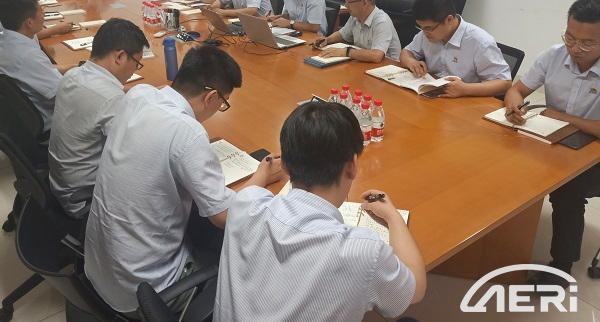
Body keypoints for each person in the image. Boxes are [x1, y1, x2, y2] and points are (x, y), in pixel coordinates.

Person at [84, 45, 285, 316]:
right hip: (146, 290)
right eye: (223, 103)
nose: (220, 109)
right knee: (249, 252)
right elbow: (224, 216)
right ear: (211, 97)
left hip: (100, 267)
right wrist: (263, 175)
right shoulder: (188, 132)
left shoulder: (139, 95)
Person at [214, 102, 426, 321]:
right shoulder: (362, 251)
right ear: (352, 166)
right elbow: (416, 290)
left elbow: (249, 192)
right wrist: (393, 217)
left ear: (285, 165)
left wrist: (263, 172)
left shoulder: (245, 203)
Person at [504, 0, 600, 287]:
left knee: (567, 190)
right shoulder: (553, 56)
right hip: (555, 141)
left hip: (594, 154)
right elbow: (517, 90)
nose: (575, 48)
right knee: (503, 157)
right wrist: (513, 105)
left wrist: (564, 117)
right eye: (570, 37)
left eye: (587, 43)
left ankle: (560, 269)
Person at [48, 18, 149, 217]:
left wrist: (138, 92)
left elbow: (102, 94)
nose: (133, 71)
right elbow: (134, 153)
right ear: (120, 56)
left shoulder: (73, 75)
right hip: (85, 197)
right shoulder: (110, 100)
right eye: (137, 63)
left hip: (62, 181)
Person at [400, 0, 511, 98]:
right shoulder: (426, 33)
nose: (424, 32)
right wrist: (411, 61)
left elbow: (504, 83)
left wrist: (466, 89)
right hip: (433, 94)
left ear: (449, 19)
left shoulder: (480, 42)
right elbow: (406, 52)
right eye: (420, 27)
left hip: (466, 99)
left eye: (429, 28)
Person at [0, 0, 73, 131]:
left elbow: (40, 71)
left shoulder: (7, 41)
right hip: (51, 122)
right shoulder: (27, 55)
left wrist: (73, 68)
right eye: (40, 10)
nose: (44, 13)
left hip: (19, 120)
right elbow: (66, 95)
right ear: (29, 22)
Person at [314, 0, 401, 62]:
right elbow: (342, 34)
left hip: (388, 67)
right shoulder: (355, 16)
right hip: (364, 62)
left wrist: (346, 52)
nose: (346, 5)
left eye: (349, 1)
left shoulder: (382, 21)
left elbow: (376, 56)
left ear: (364, 3)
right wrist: (327, 40)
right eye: (346, 0)